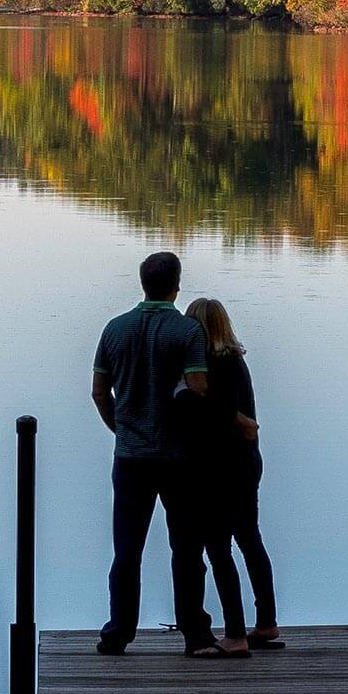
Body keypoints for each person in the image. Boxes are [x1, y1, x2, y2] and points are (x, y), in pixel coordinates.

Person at [91, 251, 226, 658]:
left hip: (130, 456)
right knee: (186, 548)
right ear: (176, 285)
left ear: (142, 282)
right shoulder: (186, 332)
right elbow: (199, 388)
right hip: (177, 457)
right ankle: (195, 635)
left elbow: (99, 392)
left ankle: (118, 633)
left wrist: (121, 427)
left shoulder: (114, 329)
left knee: (126, 550)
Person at [181, 297, 284, 653]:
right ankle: (266, 622)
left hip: (218, 466)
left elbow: (218, 409)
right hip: (246, 462)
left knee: (218, 547)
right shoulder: (235, 359)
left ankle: (236, 634)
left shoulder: (209, 364)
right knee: (249, 540)